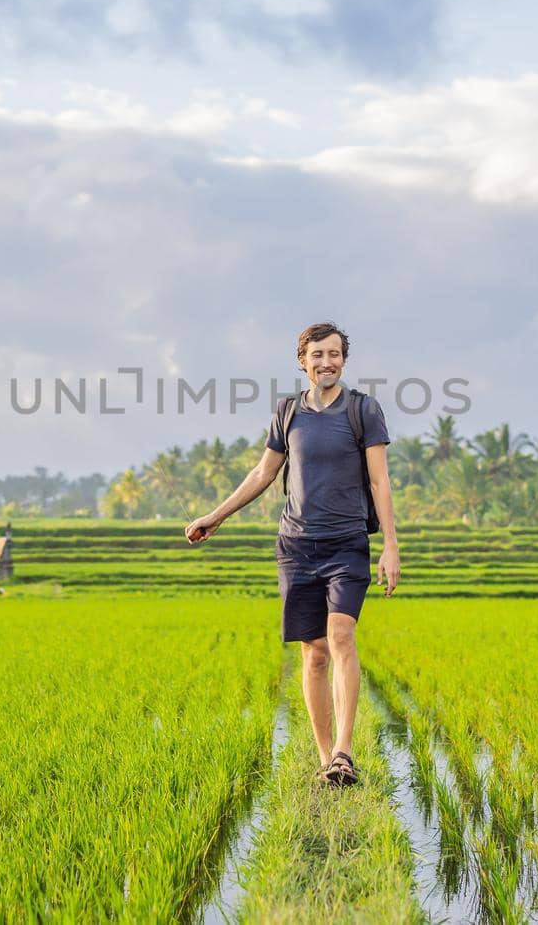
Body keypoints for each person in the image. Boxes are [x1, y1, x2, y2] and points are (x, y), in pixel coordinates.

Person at [184, 322, 399, 787]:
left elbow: (380, 481)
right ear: (302, 360)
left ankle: (345, 749)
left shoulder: (363, 410)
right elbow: (264, 473)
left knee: (341, 637)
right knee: (314, 652)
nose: (327, 362)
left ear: (344, 359)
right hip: (297, 547)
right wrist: (215, 516)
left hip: (347, 542)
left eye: (335, 354)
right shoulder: (287, 412)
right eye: (318, 354)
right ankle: (329, 761)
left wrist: (390, 547)